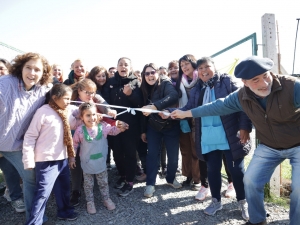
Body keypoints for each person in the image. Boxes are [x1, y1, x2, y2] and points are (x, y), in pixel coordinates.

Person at [169, 55, 300, 225]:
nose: (264, 83)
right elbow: (217, 106)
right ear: (245, 82)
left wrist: (244, 127)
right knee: (251, 181)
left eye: (266, 76)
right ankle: (257, 220)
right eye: (255, 80)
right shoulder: (241, 95)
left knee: (298, 188)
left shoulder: (292, 87)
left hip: (297, 144)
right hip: (269, 147)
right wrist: (185, 113)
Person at [167, 57, 251, 220]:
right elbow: (188, 108)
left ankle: (243, 202)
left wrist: (244, 127)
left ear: (214, 67)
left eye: (207, 67)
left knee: (237, 171)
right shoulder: (198, 88)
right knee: (212, 170)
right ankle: (216, 201)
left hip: (229, 134)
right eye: (201, 68)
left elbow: (243, 103)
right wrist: (168, 112)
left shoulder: (227, 81)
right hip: (208, 137)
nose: (204, 71)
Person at [0, 52, 53, 222]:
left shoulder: (43, 90)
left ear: (43, 73)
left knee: (31, 177)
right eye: (28, 68)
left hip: (15, 145)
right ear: (20, 68)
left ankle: (34, 218)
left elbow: (69, 98)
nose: (32, 73)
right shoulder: (5, 83)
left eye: (37, 69)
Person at [23, 83, 80, 224]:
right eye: (66, 98)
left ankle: (65, 211)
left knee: (64, 188)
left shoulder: (65, 111)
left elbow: (72, 124)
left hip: (63, 158)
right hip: (46, 160)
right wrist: (28, 159)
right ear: (55, 97)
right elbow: (30, 136)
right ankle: (34, 221)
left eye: (70, 98)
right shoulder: (43, 112)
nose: (69, 102)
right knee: (43, 193)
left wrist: (82, 116)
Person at [69, 78, 122, 206]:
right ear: (80, 91)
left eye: (92, 92)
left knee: (95, 161)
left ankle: (101, 194)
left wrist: (109, 112)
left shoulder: (95, 99)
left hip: (93, 138)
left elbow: (105, 108)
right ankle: (76, 190)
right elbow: (70, 121)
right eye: (87, 92)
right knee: (76, 163)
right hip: (75, 134)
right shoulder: (71, 101)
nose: (90, 95)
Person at [102, 57, 143, 197]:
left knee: (130, 153)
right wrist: (112, 120)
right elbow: (105, 102)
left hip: (131, 125)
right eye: (120, 64)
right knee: (117, 153)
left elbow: (140, 103)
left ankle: (130, 181)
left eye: (126, 65)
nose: (123, 67)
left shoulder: (135, 82)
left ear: (130, 67)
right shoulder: (111, 82)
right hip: (114, 123)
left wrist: (130, 95)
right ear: (117, 67)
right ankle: (123, 175)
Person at [140, 63, 181, 198]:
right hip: (153, 126)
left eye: (152, 72)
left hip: (171, 125)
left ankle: (171, 178)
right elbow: (141, 111)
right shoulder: (143, 88)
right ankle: (150, 183)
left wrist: (154, 106)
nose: (150, 76)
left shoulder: (165, 82)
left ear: (157, 73)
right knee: (152, 154)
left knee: (173, 156)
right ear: (143, 76)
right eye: (147, 73)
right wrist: (143, 131)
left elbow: (173, 96)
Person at [89, 66, 114, 170]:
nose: (101, 78)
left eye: (103, 76)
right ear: (93, 77)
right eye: (98, 76)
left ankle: (106, 163)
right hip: (95, 119)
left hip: (107, 118)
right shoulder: (92, 87)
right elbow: (99, 101)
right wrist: (107, 110)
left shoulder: (107, 86)